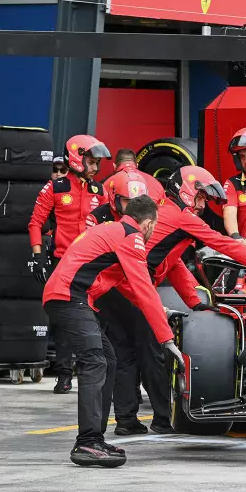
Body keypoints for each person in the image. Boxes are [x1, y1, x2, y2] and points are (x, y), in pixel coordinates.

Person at [111, 165, 246, 434]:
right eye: (201, 197)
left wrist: (195, 303)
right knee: (152, 354)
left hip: (118, 287)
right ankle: (161, 420)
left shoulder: (168, 214)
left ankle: (128, 421)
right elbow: (225, 244)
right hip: (126, 287)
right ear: (187, 191)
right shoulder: (180, 216)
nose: (203, 204)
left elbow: (173, 263)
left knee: (126, 355)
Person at [43, 195, 173, 468]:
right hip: (71, 296)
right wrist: (166, 338)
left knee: (108, 358)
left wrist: (160, 313)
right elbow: (144, 288)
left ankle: (95, 439)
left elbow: (129, 288)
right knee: (95, 360)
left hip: (68, 296)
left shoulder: (111, 229)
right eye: (154, 227)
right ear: (148, 224)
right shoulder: (131, 236)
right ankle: (88, 442)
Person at [83, 168, 170, 435]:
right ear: (113, 198)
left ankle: (156, 417)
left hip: (129, 287)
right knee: (127, 354)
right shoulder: (97, 219)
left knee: (141, 353)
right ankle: (131, 418)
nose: (129, 206)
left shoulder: (141, 219)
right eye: (124, 200)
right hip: (110, 292)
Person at [28, 135, 110, 394]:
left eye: (97, 163)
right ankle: (63, 374)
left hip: (93, 263)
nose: (96, 168)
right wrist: (38, 256)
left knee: (95, 317)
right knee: (65, 321)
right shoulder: (54, 188)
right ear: (77, 159)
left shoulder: (101, 191)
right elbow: (35, 223)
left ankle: (91, 369)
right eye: (91, 162)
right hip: (62, 262)